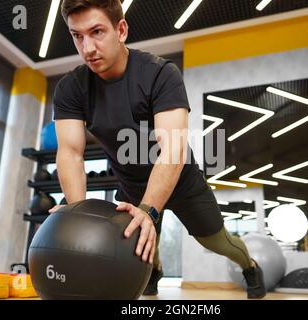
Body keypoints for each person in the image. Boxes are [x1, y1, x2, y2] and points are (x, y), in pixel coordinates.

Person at [49, 0, 266, 299]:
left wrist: (149, 211)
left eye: (97, 32)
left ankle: (250, 266)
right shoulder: (71, 88)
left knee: (216, 241)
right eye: (77, 36)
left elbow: (173, 149)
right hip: (130, 182)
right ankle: (155, 272)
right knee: (137, 241)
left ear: (121, 29)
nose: (87, 48)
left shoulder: (160, 74)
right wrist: (75, 214)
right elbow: (71, 153)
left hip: (182, 180)